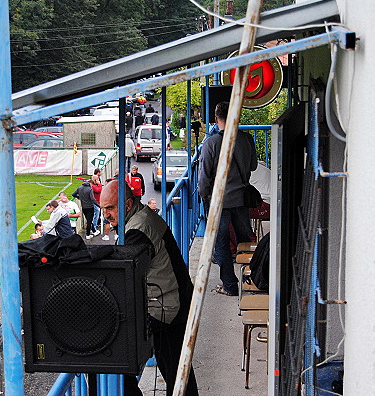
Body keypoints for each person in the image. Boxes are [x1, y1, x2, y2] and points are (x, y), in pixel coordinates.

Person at [100, 180, 198, 396]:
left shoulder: (137, 231)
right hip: (174, 300)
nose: (105, 215)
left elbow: (123, 277)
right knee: (178, 372)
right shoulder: (141, 218)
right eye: (103, 208)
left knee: (109, 351)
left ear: (126, 205)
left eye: (110, 208)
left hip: (166, 308)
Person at [198, 101, 257, 296]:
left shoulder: (211, 143)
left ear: (216, 119)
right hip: (241, 199)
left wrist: (204, 194)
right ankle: (252, 279)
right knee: (245, 239)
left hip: (219, 202)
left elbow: (204, 175)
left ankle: (230, 285)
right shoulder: (247, 139)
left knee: (221, 244)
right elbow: (253, 166)